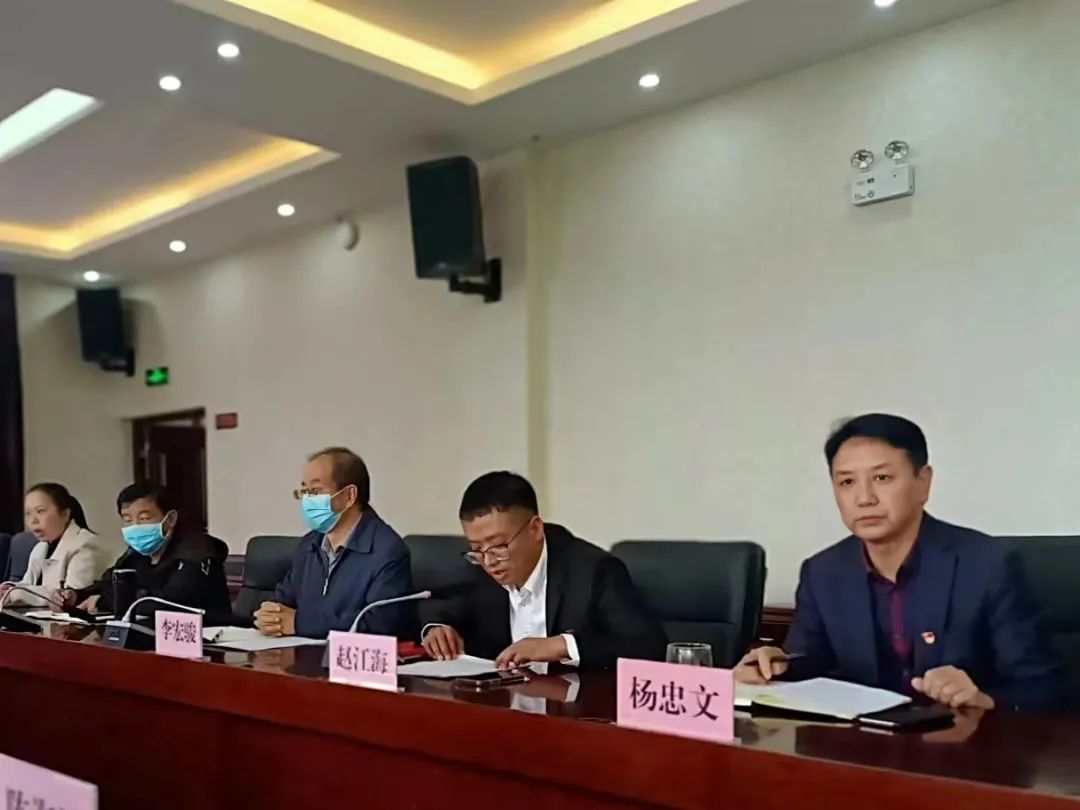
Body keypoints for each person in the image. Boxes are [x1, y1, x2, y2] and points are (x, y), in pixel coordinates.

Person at [735, 413, 1063, 712]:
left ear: (923, 482)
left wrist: (981, 699)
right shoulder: (822, 572)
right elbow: (809, 664)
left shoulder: (988, 564)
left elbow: (1044, 689)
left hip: (964, 746)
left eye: (881, 478)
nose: (864, 498)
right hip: (861, 749)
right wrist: (775, 666)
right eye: (847, 482)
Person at [422, 471, 667, 671]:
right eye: (476, 548)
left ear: (535, 529)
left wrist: (561, 646)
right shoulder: (482, 566)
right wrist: (436, 628)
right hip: (505, 705)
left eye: (498, 545)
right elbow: (440, 604)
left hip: (572, 708)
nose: (489, 561)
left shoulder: (594, 571)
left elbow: (648, 648)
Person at [254, 447, 414, 639]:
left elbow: (378, 624)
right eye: (303, 491)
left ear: (349, 496)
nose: (307, 499)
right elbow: (282, 601)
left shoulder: (387, 550)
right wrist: (269, 616)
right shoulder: (308, 545)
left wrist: (299, 623)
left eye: (315, 490)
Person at [70, 481, 232, 624]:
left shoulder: (196, 550)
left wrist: (103, 602)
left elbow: (167, 604)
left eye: (144, 518)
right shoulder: (136, 555)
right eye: (127, 520)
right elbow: (110, 583)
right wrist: (77, 595)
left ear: (170, 519)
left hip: (209, 637)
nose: (135, 527)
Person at [0, 483, 115, 608]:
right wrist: (9, 589)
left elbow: (72, 597)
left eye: (40, 511)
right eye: (28, 513)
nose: (33, 520)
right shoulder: (40, 547)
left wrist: (16, 593)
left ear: (65, 514)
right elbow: (28, 585)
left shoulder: (86, 545)